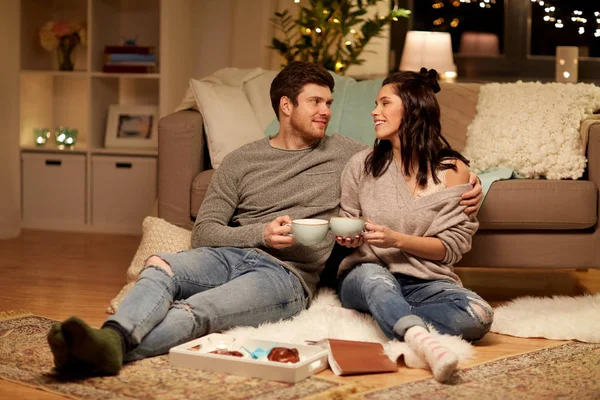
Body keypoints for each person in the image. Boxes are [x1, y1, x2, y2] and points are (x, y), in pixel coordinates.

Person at [46, 62, 483, 377]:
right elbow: (204, 232)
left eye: (330, 102)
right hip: (229, 255)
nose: (326, 111)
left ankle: (108, 351)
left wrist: (475, 180)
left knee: (200, 310)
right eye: (316, 102)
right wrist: (260, 233)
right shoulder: (240, 161)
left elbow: (413, 160)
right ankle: (112, 338)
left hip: (287, 275)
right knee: (160, 266)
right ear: (285, 105)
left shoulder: (348, 154)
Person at [334, 68, 493, 383]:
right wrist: (348, 238)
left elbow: (450, 249)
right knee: (373, 278)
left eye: (384, 103)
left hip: (426, 283)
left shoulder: (452, 171)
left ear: (412, 109)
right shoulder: (361, 166)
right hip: (366, 275)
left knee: (479, 317)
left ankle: (388, 314)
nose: (374, 111)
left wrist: (397, 240)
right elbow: (347, 222)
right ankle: (424, 343)